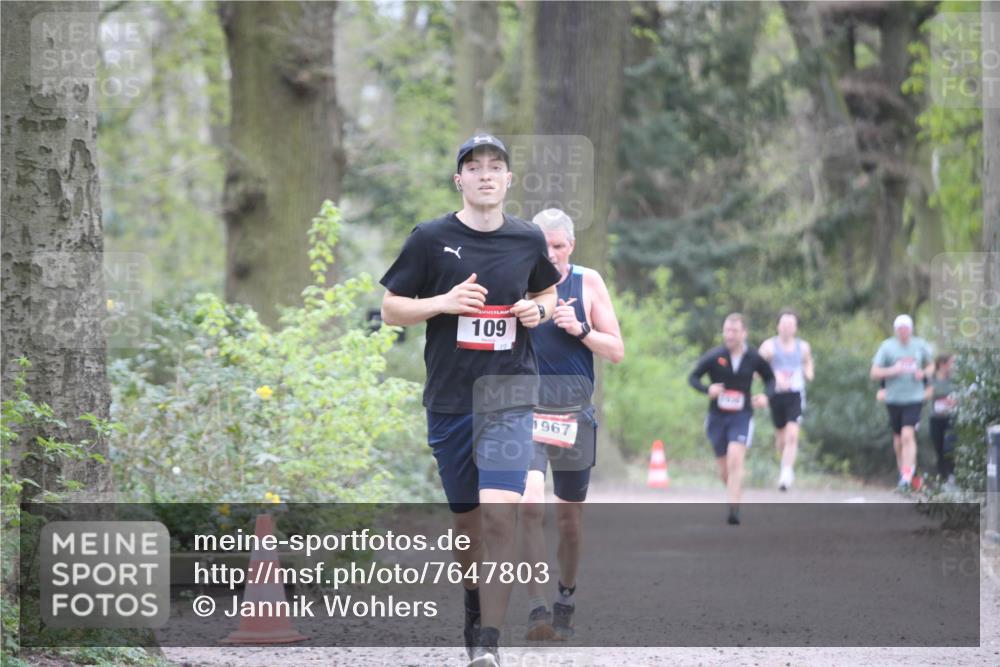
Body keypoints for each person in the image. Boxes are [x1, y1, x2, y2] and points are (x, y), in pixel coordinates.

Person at [380, 134, 560, 667]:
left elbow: (547, 293)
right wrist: (444, 302)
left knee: (502, 517)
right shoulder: (431, 239)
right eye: (474, 167)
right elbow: (392, 308)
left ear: (508, 180)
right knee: (469, 526)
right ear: (459, 179)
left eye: (495, 167)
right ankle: (473, 601)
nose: (485, 175)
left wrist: (538, 312)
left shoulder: (528, 240)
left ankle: (489, 642)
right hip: (452, 400)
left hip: (510, 394)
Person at [517, 209, 624, 641]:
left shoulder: (588, 282)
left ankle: (565, 594)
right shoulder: (518, 281)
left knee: (569, 523)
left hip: (573, 417)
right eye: (544, 247)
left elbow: (616, 349)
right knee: (528, 506)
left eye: (559, 246)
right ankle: (536, 607)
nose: (552, 255)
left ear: (571, 246)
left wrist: (580, 330)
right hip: (526, 413)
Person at [688, 313, 775, 525]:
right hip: (717, 417)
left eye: (734, 331)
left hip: (742, 415)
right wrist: (707, 389)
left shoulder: (754, 357)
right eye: (727, 330)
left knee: (736, 459)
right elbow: (693, 377)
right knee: (725, 469)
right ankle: (734, 492)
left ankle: (733, 508)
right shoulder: (715, 355)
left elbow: (770, 378)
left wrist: (765, 396)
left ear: (744, 333)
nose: (730, 335)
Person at [870, 314, 934, 489]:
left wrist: (924, 373)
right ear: (896, 330)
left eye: (906, 329)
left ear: (911, 329)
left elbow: (931, 365)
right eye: (900, 329)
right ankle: (905, 474)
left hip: (914, 398)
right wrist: (893, 370)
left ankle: (907, 474)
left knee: (908, 435)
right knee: (898, 440)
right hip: (894, 399)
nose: (904, 332)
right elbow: (874, 372)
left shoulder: (920, 345)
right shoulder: (887, 347)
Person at [759, 310, 814, 491]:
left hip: (795, 394)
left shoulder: (803, 347)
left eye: (790, 325)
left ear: (795, 328)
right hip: (776, 395)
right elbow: (759, 368)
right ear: (778, 326)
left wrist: (808, 372)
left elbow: (807, 362)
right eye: (784, 325)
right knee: (781, 440)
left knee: (792, 435)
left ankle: (786, 472)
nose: (787, 328)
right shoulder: (769, 346)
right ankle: (785, 464)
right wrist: (773, 375)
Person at [927, 353, 957, 485]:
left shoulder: (955, 379)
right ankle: (942, 477)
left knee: (949, 446)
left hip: (951, 418)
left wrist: (955, 400)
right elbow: (926, 394)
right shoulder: (931, 379)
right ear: (942, 364)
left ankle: (951, 475)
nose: (953, 366)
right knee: (938, 447)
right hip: (935, 418)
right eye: (951, 363)